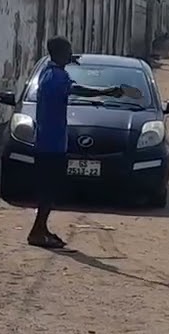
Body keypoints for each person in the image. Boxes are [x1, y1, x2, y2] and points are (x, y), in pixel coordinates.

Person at [28, 36, 141, 249]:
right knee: (49, 191)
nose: (71, 54)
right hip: (52, 143)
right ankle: (37, 231)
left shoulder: (47, 73)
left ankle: (41, 229)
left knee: (47, 190)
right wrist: (106, 91)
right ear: (60, 53)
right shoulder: (58, 77)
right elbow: (78, 90)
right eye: (68, 51)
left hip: (46, 140)